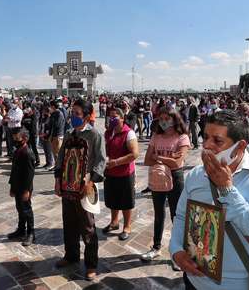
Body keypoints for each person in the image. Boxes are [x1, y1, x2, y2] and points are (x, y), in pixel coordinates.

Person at [170, 110, 249, 290]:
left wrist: (227, 190)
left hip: (240, 284)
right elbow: (181, 217)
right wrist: (176, 250)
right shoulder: (195, 175)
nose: (207, 145)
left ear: (239, 147)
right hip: (195, 281)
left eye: (217, 140)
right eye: (205, 137)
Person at [54, 99, 106, 281]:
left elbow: (101, 161)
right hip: (68, 186)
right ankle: (71, 255)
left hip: (85, 187)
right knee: (69, 223)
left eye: (77, 114)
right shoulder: (69, 135)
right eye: (72, 113)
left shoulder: (94, 135)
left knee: (87, 227)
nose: (73, 117)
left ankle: (91, 264)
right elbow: (61, 158)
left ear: (85, 115)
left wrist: (91, 182)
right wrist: (57, 180)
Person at [140, 107, 190, 268]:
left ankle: (179, 253)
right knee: (159, 213)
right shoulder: (156, 136)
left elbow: (177, 163)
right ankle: (156, 247)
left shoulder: (182, 138)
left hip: (176, 178)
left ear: (175, 119)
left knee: (177, 215)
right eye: (160, 118)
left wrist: (159, 157)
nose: (163, 122)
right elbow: (147, 160)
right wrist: (169, 158)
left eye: (166, 118)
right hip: (158, 177)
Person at [102, 107, 139, 241]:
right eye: (110, 116)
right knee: (113, 199)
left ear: (122, 118)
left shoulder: (128, 133)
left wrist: (116, 162)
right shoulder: (108, 133)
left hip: (125, 173)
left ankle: (127, 226)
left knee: (126, 201)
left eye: (115, 116)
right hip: (110, 172)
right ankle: (114, 222)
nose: (111, 119)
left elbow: (134, 154)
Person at [7, 127, 36, 246]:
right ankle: (21, 229)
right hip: (17, 185)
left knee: (26, 210)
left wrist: (27, 190)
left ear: (24, 138)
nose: (15, 140)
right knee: (19, 208)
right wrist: (12, 186)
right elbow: (14, 170)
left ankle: (31, 233)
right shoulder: (18, 150)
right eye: (14, 138)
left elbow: (30, 175)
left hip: (24, 187)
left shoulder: (27, 153)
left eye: (17, 138)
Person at [49, 100, 65, 170]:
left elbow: (57, 125)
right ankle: (56, 165)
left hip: (58, 135)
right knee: (54, 152)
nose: (50, 108)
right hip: (53, 135)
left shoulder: (59, 114)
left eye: (50, 106)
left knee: (58, 152)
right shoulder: (53, 113)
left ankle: (60, 167)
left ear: (53, 106)